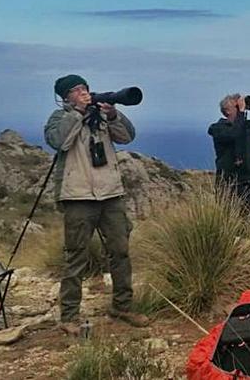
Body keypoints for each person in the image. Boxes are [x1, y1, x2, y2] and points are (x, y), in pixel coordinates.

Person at [44, 74, 149, 334]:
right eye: (75, 90)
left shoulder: (100, 115)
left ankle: (122, 306)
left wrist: (112, 114)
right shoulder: (60, 118)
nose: (83, 93)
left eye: (84, 88)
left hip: (110, 193)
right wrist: (78, 113)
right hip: (78, 196)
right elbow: (59, 141)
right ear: (64, 97)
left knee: (120, 252)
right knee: (76, 256)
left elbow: (127, 137)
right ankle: (69, 315)